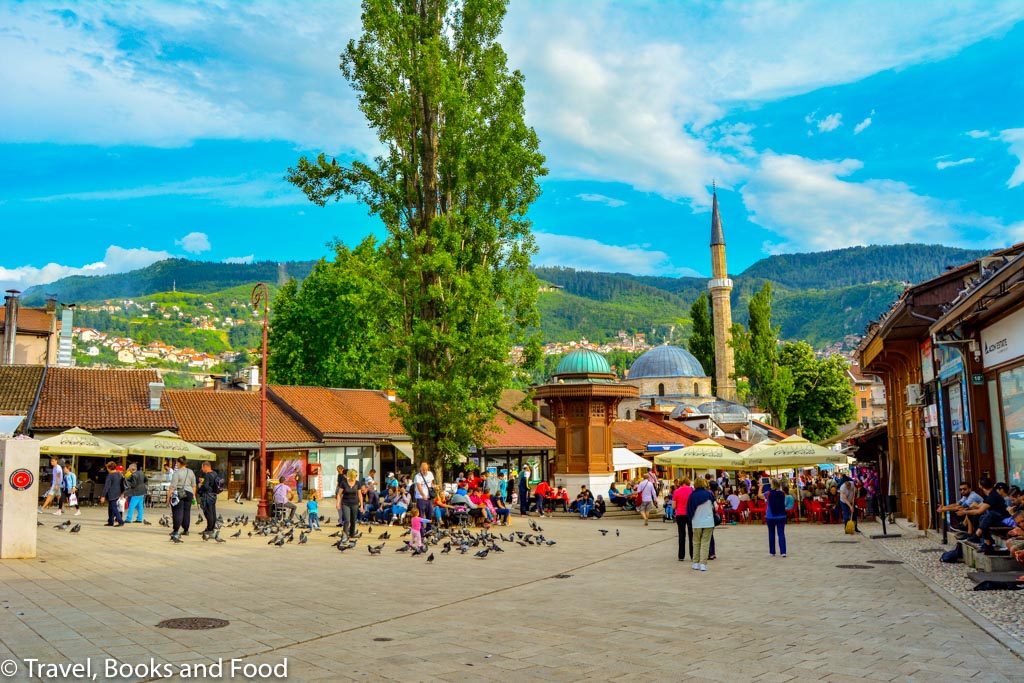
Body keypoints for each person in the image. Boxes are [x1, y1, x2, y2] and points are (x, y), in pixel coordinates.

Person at [965, 478, 1010, 554]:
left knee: (989, 515)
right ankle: (987, 542)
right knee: (983, 517)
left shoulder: (993, 496)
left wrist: (964, 512)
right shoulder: (990, 495)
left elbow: (979, 511)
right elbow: (981, 507)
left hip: (1003, 520)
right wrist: (967, 511)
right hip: (995, 519)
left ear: (980, 486)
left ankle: (978, 535)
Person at [687, 478, 716, 572]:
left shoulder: (692, 495)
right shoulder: (709, 494)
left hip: (696, 522)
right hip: (708, 522)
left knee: (696, 542)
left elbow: (689, 509)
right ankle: (703, 564)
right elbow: (715, 506)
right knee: (705, 543)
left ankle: (695, 563)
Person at [167, 457, 196, 538]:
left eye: (176, 463)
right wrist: (193, 495)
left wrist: (168, 497)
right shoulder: (191, 472)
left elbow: (172, 486)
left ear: (179, 463)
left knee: (178, 511)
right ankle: (186, 530)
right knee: (187, 511)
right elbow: (194, 485)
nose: (176, 464)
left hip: (180, 491)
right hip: (189, 492)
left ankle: (176, 530)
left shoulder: (177, 473)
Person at [764, 479, 788, 557]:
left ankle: (772, 552)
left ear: (772, 485)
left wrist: (761, 487)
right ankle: (783, 552)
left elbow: (759, 495)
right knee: (781, 533)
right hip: (781, 515)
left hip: (770, 516)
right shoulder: (783, 493)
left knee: (771, 534)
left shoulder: (768, 493)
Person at [673, 477, 694, 562]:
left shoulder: (676, 491)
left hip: (680, 514)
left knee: (681, 535)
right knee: (691, 535)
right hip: (690, 514)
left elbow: (674, 506)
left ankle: (681, 556)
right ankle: (693, 555)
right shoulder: (692, 490)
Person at [337, 469, 363, 537]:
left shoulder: (358, 483)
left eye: (356, 476)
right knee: (347, 520)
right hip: (345, 503)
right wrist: (338, 503)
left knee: (353, 521)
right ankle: (345, 535)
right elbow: (339, 494)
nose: (355, 477)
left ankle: (352, 534)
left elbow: (360, 495)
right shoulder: (343, 483)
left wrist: (362, 506)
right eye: (355, 476)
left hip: (355, 504)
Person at [99, 461, 125, 527]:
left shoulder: (110, 476)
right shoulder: (119, 474)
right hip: (118, 493)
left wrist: (103, 496)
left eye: (107, 468)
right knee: (110, 507)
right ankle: (110, 521)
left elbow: (106, 486)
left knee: (113, 508)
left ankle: (120, 521)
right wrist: (122, 492)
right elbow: (122, 484)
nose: (107, 469)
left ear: (109, 468)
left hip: (112, 493)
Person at [197, 461, 220, 534]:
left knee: (208, 513)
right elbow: (212, 484)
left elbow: (206, 487)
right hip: (213, 495)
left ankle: (209, 529)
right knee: (213, 512)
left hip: (207, 496)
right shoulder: (214, 473)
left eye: (202, 467)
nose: (202, 469)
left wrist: (200, 485)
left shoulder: (207, 475)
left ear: (206, 467)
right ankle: (212, 528)